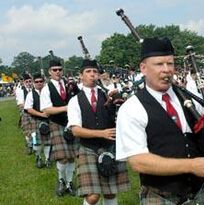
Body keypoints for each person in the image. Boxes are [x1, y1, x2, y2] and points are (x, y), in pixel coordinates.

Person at [116, 37, 204, 205]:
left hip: (199, 193)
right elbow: (138, 161)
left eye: (170, 64)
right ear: (143, 68)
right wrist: (190, 166)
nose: (167, 70)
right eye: (159, 64)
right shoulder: (131, 108)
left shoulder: (188, 97)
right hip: (160, 197)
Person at [67, 59, 130, 205]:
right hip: (88, 148)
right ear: (81, 76)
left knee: (110, 192)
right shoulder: (75, 101)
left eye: (95, 72)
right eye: (88, 72)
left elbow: (121, 118)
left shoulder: (108, 95)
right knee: (92, 196)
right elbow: (75, 130)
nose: (92, 75)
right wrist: (101, 133)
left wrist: (118, 104)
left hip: (109, 146)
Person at [40, 59, 78, 196]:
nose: (57, 72)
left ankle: (69, 183)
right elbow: (46, 110)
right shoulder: (46, 88)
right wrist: (67, 108)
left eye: (60, 69)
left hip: (72, 123)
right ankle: (61, 180)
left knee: (72, 156)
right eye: (54, 70)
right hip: (56, 124)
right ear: (49, 72)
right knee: (62, 157)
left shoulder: (69, 84)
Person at [24, 73, 51, 168]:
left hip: (48, 120)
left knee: (48, 141)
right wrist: (41, 114)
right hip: (35, 120)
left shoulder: (48, 92)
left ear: (43, 82)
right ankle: (38, 157)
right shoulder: (31, 94)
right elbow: (28, 109)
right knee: (37, 142)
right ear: (33, 83)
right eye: (37, 82)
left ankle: (48, 159)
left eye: (41, 81)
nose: (39, 83)